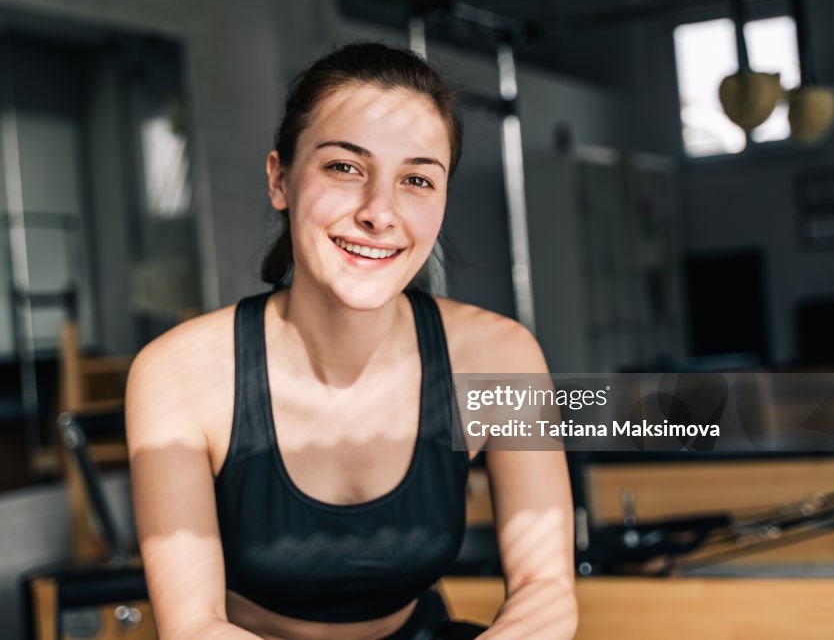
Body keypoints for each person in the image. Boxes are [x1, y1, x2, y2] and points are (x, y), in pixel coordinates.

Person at [126, 42, 577, 640]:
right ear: (280, 179)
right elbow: (193, 628)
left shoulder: (502, 358)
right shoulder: (176, 373)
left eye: (416, 179)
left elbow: (546, 592)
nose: (379, 212)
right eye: (344, 167)